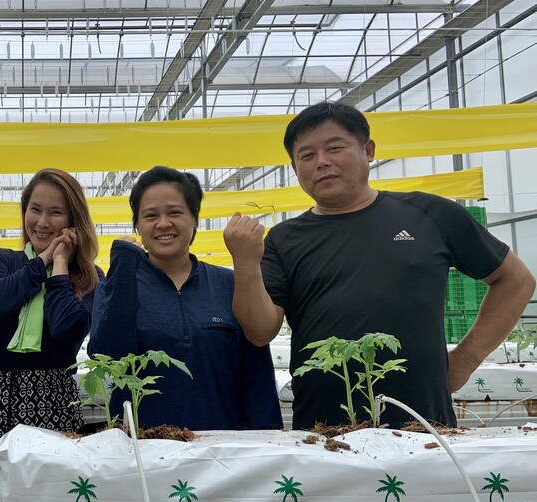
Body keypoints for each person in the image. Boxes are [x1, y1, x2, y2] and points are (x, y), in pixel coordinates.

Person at [224, 101, 536, 429]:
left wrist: (465, 359)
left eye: (334, 147)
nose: (322, 162)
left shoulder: (431, 215)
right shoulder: (284, 239)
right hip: (323, 427)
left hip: (422, 420)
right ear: (295, 167)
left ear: (368, 150)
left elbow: (515, 280)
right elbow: (260, 332)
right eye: (307, 155)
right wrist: (246, 263)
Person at [87, 166, 282, 431]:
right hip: (144, 451)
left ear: (195, 220)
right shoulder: (115, 286)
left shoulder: (230, 284)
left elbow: (256, 376)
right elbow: (107, 356)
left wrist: (266, 440)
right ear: (138, 226)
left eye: (175, 213)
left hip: (222, 447)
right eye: (150, 216)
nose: (163, 223)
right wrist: (123, 268)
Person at [0, 169, 103, 444]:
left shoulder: (90, 277)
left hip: (56, 400)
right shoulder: (1, 259)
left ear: (74, 220)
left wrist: (60, 263)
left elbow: (67, 328)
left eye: (55, 213)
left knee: (54, 484)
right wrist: (43, 260)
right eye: (35, 210)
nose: (42, 222)